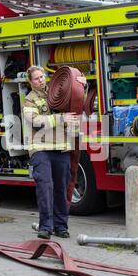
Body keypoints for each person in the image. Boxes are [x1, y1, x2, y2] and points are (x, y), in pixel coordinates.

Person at [23, 66, 80, 240]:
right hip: (40, 149)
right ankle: (46, 227)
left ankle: (61, 227)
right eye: (37, 78)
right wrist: (59, 118)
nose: (41, 80)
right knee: (45, 186)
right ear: (30, 82)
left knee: (61, 189)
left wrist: (82, 85)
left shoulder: (58, 93)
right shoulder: (30, 100)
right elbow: (34, 121)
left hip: (61, 147)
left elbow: (77, 98)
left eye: (43, 77)